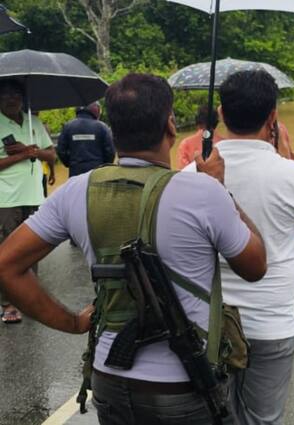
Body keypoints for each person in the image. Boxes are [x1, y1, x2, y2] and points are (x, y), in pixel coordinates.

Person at [0, 73, 268, 423]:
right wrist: (221, 189)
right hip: (183, 387)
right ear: (170, 125)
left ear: (112, 131)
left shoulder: (75, 191)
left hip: (109, 383)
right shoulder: (204, 192)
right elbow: (255, 266)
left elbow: (6, 265)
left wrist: (70, 322)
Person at [184, 70, 294, 425]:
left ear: (220, 113)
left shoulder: (192, 174)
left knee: (213, 415)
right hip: (271, 324)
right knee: (261, 420)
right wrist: (288, 160)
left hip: (209, 325)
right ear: (272, 117)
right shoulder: (293, 174)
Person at [0, 79, 56, 324]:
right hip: (6, 198)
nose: (12, 98)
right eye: (6, 94)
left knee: (33, 248)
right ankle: (8, 303)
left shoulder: (33, 122)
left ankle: (30, 300)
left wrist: (31, 152)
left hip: (34, 195)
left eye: (16, 94)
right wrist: (24, 154)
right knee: (8, 251)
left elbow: (51, 154)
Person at [56, 101, 115, 177]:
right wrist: (103, 167)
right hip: (97, 174)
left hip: (75, 173)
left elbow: (61, 150)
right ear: (95, 110)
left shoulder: (68, 127)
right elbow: (110, 152)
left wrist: (71, 163)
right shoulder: (102, 127)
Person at [176, 104, 223, 169]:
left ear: (197, 122)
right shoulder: (224, 143)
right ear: (216, 122)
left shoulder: (185, 144)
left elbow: (183, 172)